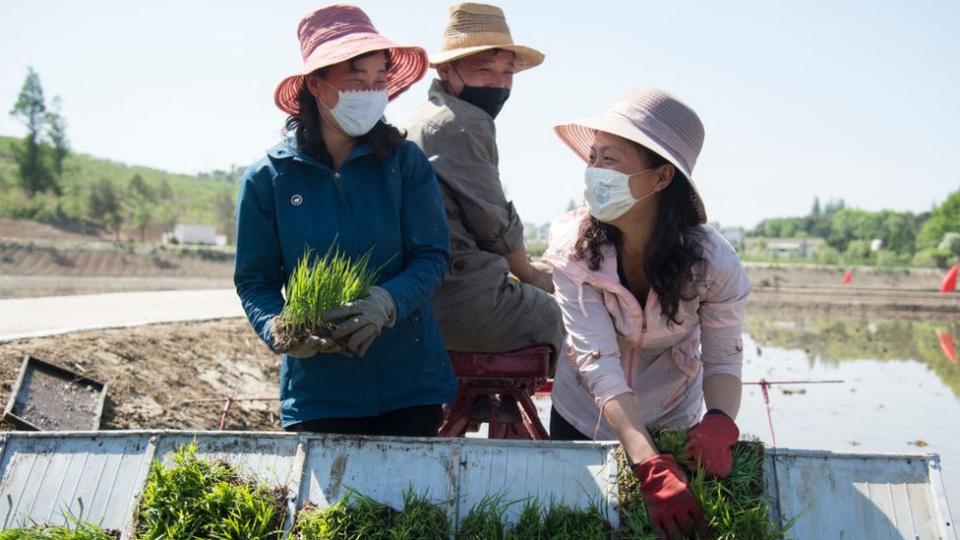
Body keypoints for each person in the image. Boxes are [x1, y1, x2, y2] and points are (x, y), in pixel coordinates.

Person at [234, 4, 456, 436]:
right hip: (319, 393)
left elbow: (432, 255)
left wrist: (385, 303)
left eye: (378, 80)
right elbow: (255, 281)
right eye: (357, 78)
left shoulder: (403, 163)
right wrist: (278, 327)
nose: (370, 91)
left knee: (410, 502)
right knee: (327, 506)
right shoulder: (269, 179)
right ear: (315, 85)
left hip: (410, 384)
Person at [544, 88, 751, 539]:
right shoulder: (573, 249)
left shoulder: (713, 263)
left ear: (660, 179)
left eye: (611, 160)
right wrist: (649, 465)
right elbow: (598, 364)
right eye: (593, 157)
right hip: (583, 412)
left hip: (672, 413)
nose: (595, 172)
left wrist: (719, 420)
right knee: (579, 523)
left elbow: (723, 359)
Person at [405, 3, 564, 360]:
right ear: (447, 70)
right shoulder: (464, 122)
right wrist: (530, 273)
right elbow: (492, 222)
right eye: (484, 69)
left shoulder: (422, 118)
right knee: (566, 323)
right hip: (457, 296)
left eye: (507, 72)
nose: (499, 83)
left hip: (419, 291)